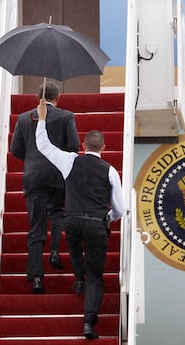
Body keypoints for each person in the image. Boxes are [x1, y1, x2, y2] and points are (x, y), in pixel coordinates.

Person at [35, 98, 125, 339]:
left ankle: (77, 279)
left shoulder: (70, 160)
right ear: (103, 148)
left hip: (72, 220)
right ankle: (88, 322)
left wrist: (42, 118)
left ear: (83, 144)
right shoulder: (109, 170)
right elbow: (120, 208)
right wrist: (108, 217)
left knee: (74, 247)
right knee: (97, 276)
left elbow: (44, 146)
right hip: (97, 224)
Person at [10, 82, 80, 294]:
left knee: (36, 224)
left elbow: (16, 150)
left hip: (33, 177)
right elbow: (74, 146)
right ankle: (55, 251)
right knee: (58, 212)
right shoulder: (66, 116)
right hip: (58, 174)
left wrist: (32, 161)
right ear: (57, 97)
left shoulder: (23, 118)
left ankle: (37, 277)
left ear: (36, 97)